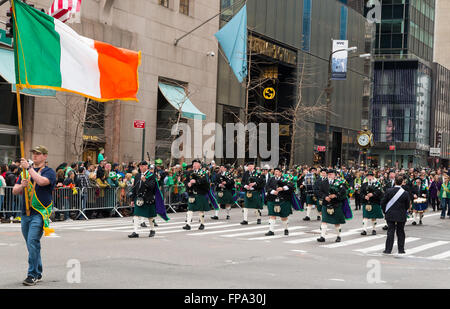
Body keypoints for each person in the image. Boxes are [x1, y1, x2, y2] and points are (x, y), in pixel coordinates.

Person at [12, 145, 56, 286]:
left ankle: (31, 275)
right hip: (25, 213)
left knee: (32, 242)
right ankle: (38, 271)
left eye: (38, 154)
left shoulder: (49, 172)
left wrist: (29, 169)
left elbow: (42, 182)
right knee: (32, 244)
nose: (35, 156)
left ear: (44, 156)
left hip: (39, 214)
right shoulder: (24, 173)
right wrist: (22, 186)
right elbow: (14, 190)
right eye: (34, 153)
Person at [128, 161, 159, 238]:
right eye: (140, 166)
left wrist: (145, 181)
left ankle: (152, 230)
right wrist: (132, 199)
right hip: (139, 199)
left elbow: (152, 186)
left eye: (142, 166)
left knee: (150, 216)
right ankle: (135, 232)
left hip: (148, 198)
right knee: (136, 215)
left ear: (146, 166)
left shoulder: (152, 175)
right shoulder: (137, 176)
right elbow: (134, 188)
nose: (141, 168)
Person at [316, 169, 348, 243]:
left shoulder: (340, 183)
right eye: (329, 174)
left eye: (331, 174)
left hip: (336, 204)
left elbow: (344, 193)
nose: (330, 175)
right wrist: (325, 197)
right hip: (326, 203)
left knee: (337, 222)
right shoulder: (323, 182)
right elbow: (319, 192)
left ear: (335, 175)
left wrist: (336, 195)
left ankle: (338, 236)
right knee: (324, 221)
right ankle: (322, 236)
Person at [381, 176, 411, 254]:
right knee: (400, 232)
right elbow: (407, 205)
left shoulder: (388, 191)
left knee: (390, 232)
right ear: (402, 183)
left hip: (390, 214)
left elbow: (383, 202)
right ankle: (401, 250)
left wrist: (385, 211)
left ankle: (388, 250)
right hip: (401, 215)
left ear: (395, 182)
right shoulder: (405, 193)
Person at [265, 168, 295, 236]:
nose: (276, 172)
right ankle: (271, 231)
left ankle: (286, 229)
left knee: (283, 217)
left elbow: (291, 186)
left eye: (277, 171)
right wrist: (272, 191)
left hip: (283, 200)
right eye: (275, 171)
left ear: (281, 173)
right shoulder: (271, 179)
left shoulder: (285, 179)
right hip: (272, 199)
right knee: (272, 215)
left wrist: (283, 188)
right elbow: (267, 187)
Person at [183, 160, 211, 230]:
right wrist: (187, 184)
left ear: (199, 165)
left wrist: (196, 181)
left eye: (196, 164)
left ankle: (202, 223)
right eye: (193, 164)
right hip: (192, 193)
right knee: (190, 209)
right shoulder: (190, 173)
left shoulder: (203, 173)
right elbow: (185, 181)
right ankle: (188, 225)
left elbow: (205, 181)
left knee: (200, 210)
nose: (194, 165)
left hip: (200, 193)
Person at [360, 171, 384, 236]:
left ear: (373, 177)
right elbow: (361, 193)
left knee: (373, 217)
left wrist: (372, 194)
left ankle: (374, 229)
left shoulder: (377, 184)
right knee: (365, 216)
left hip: (374, 202)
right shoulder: (364, 184)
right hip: (366, 202)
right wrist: (364, 196)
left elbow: (379, 192)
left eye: (371, 176)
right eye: (368, 176)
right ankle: (364, 230)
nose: (369, 177)